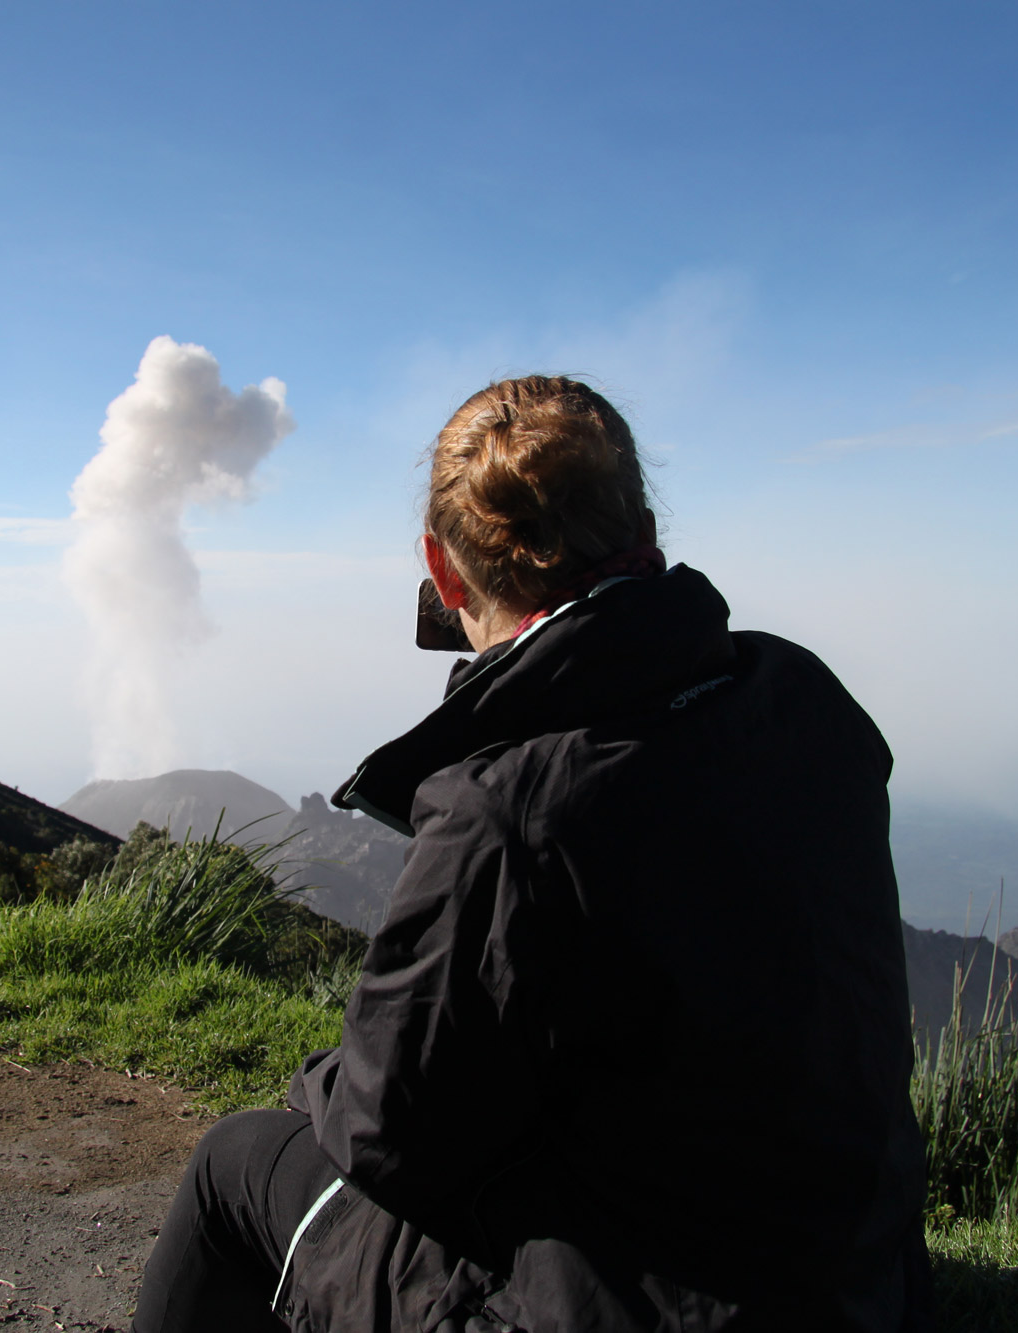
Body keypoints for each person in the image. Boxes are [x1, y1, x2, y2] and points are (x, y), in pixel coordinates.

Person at [133, 376, 931, 1333]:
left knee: (237, 1163)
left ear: (441, 563)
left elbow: (388, 1128)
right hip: (861, 1289)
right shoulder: (801, 694)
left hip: (617, 1312)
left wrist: (321, 1080)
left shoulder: (504, 807)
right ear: (641, 517)